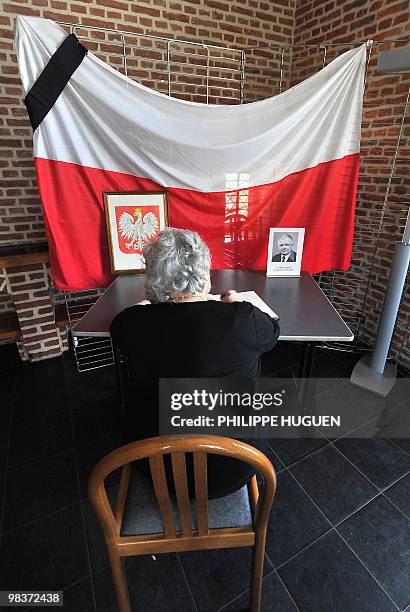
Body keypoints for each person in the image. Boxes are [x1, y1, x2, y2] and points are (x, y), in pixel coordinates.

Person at [110, 228, 280, 497]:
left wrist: (149, 302)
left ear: (153, 276)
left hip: (154, 468)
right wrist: (235, 302)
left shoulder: (132, 324)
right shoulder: (242, 319)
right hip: (235, 465)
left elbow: (120, 323)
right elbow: (273, 330)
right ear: (204, 271)